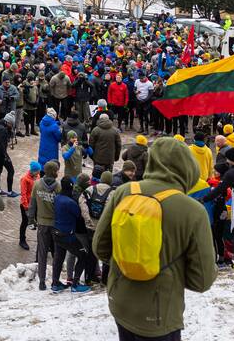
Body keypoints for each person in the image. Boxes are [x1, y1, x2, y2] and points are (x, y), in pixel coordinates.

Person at [92, 137, 217, 341]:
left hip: (120, 301)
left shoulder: (125, 191)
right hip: (160, 313)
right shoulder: (193, 211)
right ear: (188, 168)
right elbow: (201, 280)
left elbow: (100, 248)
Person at [51, 177, 90, 293]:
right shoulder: (70, 203)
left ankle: (55, 283)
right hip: (68, 235)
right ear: (71, 187)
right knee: (83, 255)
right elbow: (79, 215)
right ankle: (75, 284)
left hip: (56, 233)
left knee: (58, 258)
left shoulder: (57, 198)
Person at [28, 160, 59, 290]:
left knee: (42, 253)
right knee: (57, 253)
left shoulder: (37, 185)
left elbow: (32, 204)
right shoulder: (58, 187)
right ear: (53, 172)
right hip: (55, 224)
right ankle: (55, 281)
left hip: (42, 223)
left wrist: (31, 220)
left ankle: (41, 281)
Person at [18, 161, 41, 250]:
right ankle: (22, 240)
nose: (39, 173)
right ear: (33, 171)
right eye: (37, 171)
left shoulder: (37, 176)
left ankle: (42, 241)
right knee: (24, 223)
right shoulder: (25, 179)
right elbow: (23, 194)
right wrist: (26, 207)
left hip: (35, 204)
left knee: (39, 222)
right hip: (26, 205)